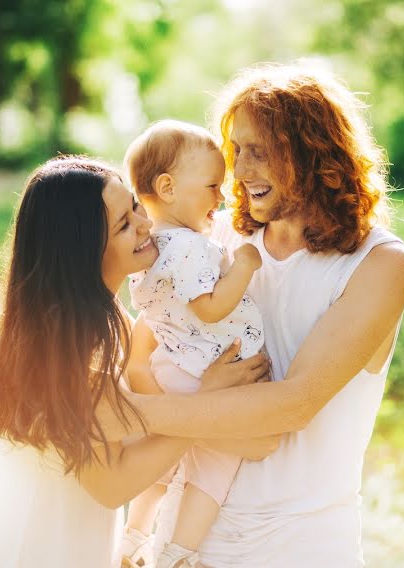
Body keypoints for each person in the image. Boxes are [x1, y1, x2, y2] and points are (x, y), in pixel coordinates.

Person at [124, 62, 404, 567]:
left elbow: (291, 405)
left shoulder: (380, 264)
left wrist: (125, 415)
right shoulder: (213, 242)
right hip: (186, 542)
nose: (239, 171)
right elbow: (144, 355)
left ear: (312, 150)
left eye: (259, 152)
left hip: (302, 548)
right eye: (236, 151)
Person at [0, 157, 278, 568]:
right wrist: (205, 402)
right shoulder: (71, 344)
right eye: (124, 225)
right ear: (83, 249)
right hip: (38, 542)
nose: (145, 225)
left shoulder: (105, 320)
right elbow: (112, 484)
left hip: (67, 534)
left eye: (136, 207)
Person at [119, 121, 265, 568]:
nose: (220, 197)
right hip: (202, 368)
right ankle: (178, 554)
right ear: (166, 187)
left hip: (174, 362)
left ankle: (133, 536)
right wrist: (243, 264)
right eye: (212, 186)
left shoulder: (148, 247)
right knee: (213, 466)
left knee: (164, 464)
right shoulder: (189, 248)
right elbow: (210, 307)